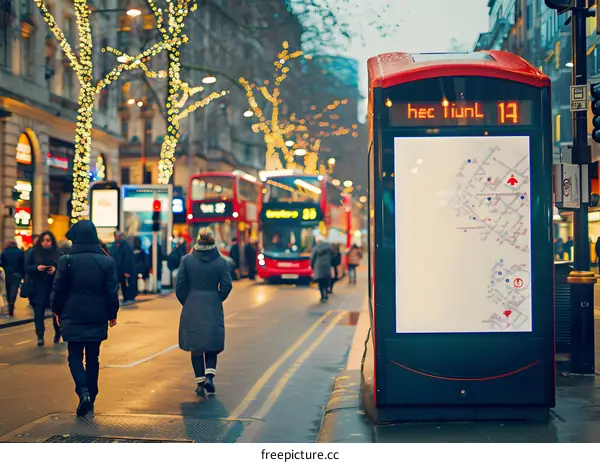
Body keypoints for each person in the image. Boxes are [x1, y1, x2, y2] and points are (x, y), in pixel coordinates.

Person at [51, 220, 119, 417]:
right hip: (97, 314)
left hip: (72, 314)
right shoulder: (107, 261)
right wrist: (112, 314)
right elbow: (111, 291)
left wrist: (56, 310)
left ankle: (83, 392)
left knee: (74, 355)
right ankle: (92, 394)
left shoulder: (66, 260)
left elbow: (59, 288)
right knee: (93, 358)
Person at [176, 227, 232, 396]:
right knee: (211, 344)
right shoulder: (221, 262)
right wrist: (217, 298)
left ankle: (200, 383)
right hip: (212, 304)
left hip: (192, 304)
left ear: (198, 240)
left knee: (196, 346)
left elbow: (179, 287)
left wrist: (188, 301)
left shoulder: (187, 260)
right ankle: (210, 377)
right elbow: (227, 285)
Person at [25, 231, 61, 346]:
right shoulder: (33, 252)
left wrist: (55, 270)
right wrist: (37, 267)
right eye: (43, 240)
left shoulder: (57, 253)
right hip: (38, 287)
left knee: (56, 312)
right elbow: (26, 267)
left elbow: (63, 269)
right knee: (38, 313)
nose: (45, 243)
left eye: (48, 240)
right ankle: (40, 335)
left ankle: (58, 332)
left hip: (53, 288)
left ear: (52, 241)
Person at [0, 240, 25, 317]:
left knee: (8, 289)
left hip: (7, 274)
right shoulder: (20, 252)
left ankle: (9, 303)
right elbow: (23, 264)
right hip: (17, 274)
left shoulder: (4, 252)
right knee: (14, 289)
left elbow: (1, 263)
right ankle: (12, 303)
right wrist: (23, 275)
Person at [112, 232, 135, 302]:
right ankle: (126, 297)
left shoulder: (120, 245)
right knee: (122, 284)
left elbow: (126, 259)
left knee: (122, 284)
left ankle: (127, 297)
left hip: (119, 269)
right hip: (119, 269)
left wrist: (126, 271)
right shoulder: (124, 246)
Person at [311, 237, 334, 303]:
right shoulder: (329, 248)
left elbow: (313, 258)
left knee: (320, 281)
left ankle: (322, 297)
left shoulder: (316, 247)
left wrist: (312, 265)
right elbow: (334, 254)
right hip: (327, 266)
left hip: (318, 267)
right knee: (326, 281)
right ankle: (326, 294)